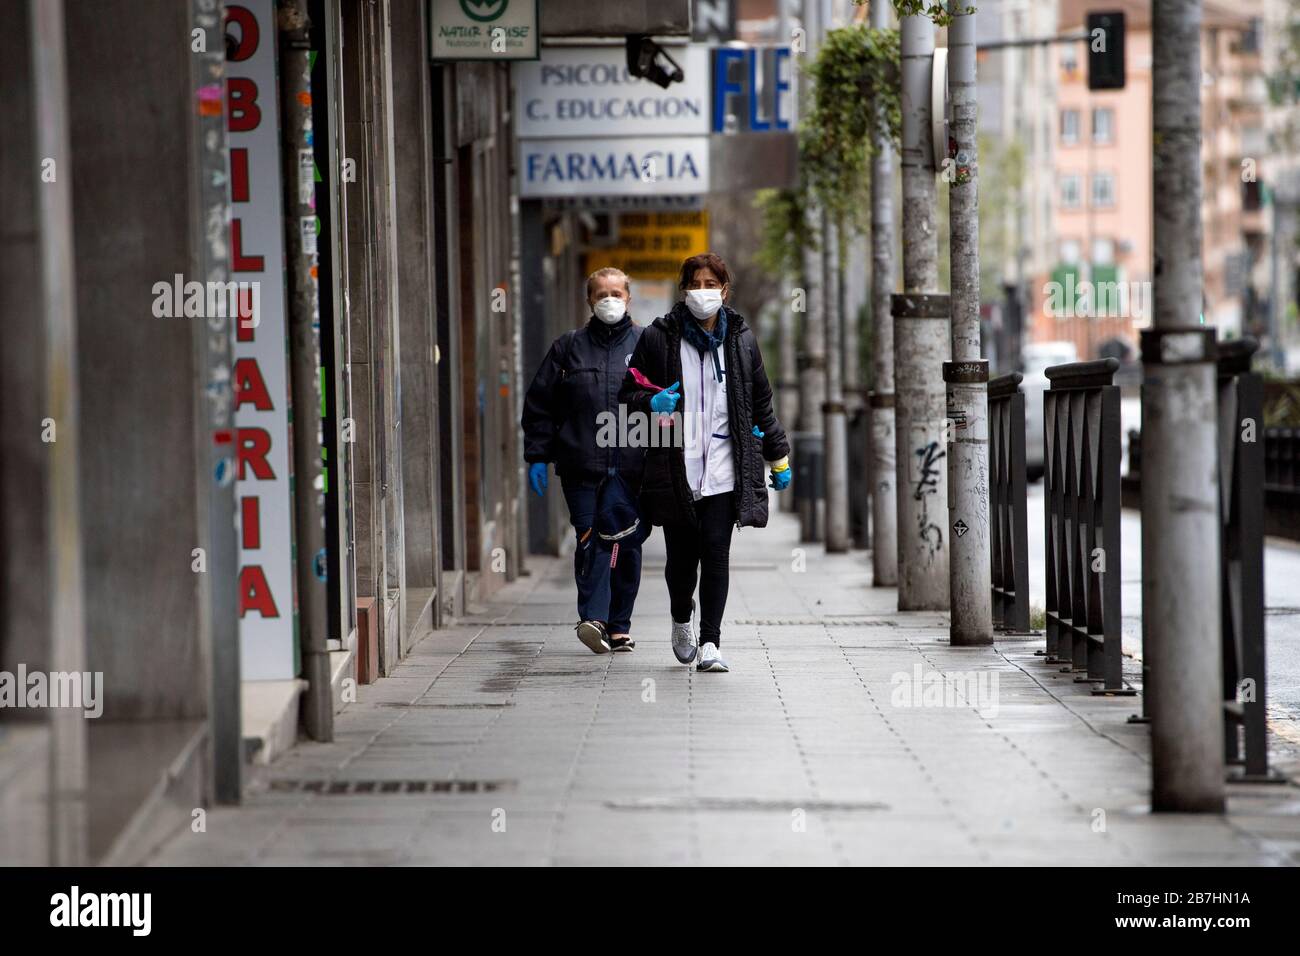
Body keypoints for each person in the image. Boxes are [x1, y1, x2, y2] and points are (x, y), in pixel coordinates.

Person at [618, 252, 790, 673]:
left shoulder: (742, 341)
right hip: (675, 466)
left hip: (724, 467)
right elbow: (627, 395)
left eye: (711, 284)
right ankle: (681, 619)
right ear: (683, 291)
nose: (703, 292)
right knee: (681, 561)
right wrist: (651, 401)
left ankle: (711, 641)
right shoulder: (658, 338)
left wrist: (778, 455)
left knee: (716, 553)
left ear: (725, 291)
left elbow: (760, 402)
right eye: (695, 284)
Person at [522, 267, 647, 655]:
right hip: (581, 467)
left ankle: (619, 625)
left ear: (628, 297)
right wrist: (538, 455)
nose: (609, 299)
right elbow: (540, 404)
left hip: (632, 468)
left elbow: (672, 402)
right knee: (591, 539)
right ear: (589, 300)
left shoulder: (647, 345)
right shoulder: (568, 347)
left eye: (616, 292)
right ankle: (594, 619)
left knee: (625, 546)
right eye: (601, 293)